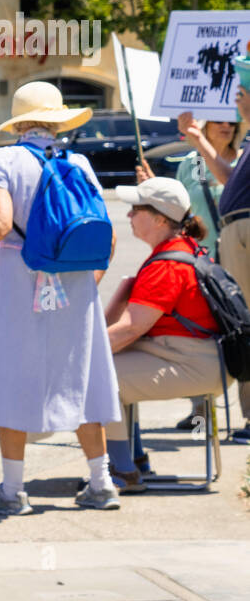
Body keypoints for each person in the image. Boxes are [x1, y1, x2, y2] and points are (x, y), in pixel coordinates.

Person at [0, 81, 121, 513]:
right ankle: (102, 482)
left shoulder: (5, 158)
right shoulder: (79, 161)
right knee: (81, 372)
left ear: (19, 121)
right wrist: (88, 280)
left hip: (21, 277)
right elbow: (106, 239)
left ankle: (12, 491)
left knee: (13, 374)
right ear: (56, 121)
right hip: (74, 280)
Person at [103, 178, 226, 491]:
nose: (129, 215)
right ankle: (135, 459)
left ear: (160, 219)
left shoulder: (167, 264)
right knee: (112, 366)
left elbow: (131, 328)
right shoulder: (179, 250)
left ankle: (122, 471)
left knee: (98, 377)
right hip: (203, 359)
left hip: (194, 364)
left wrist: (79, 355)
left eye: (136, 209)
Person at [135, 111, 240, 429]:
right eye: (219, 120)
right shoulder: (188, 165)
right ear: (205, 124)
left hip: (237, 259)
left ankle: (247, 414)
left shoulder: (243, 161)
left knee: (240, 335)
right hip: (201, 265)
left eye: (231, 121)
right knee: (200, 335)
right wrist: (155, 192)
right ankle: (202, 412)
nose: (226, 126)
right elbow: (182, 213)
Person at [187, 58, 250, 443]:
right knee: (244, 324)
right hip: (235, 233)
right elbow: (228, 180)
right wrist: (198, 141)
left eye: (243, 92)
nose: (238, 100)